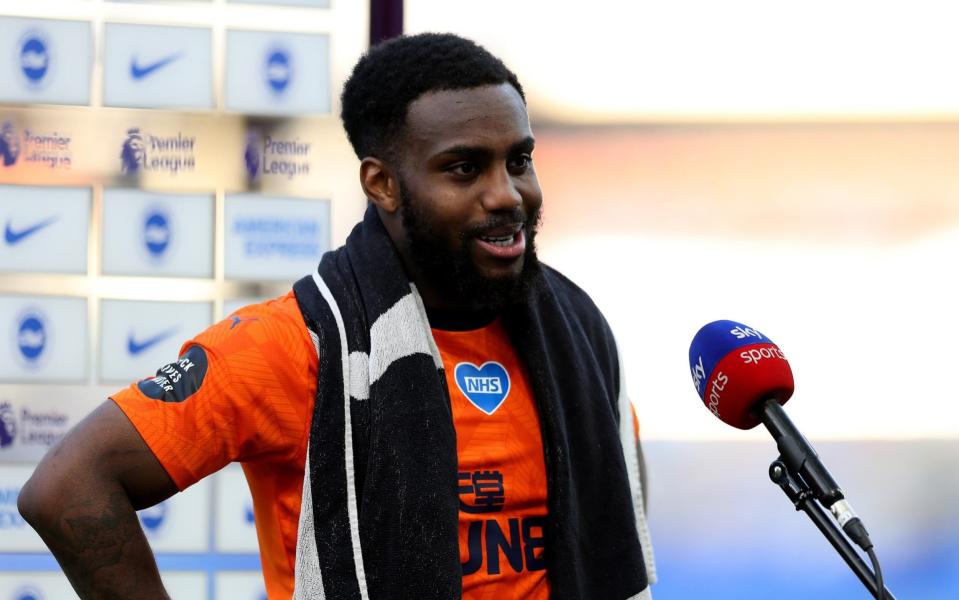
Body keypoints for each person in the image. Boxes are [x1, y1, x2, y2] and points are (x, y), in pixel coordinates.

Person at [18, 33, 655, 599]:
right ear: (381, 185)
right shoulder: (295, 342)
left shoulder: (580, 335)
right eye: (464, 169)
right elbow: (68, 486)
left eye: (518, 161)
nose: (506, 194)